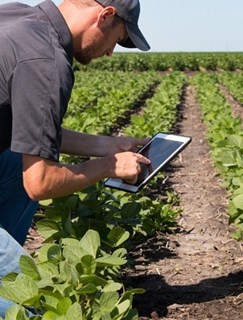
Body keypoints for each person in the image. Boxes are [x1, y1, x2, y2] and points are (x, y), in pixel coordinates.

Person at [0, 0, 151, 316]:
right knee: (40, 300)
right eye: (119, 40)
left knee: (20, 157)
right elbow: (40, 183)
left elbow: (32, 131)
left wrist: (109, 145)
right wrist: (110, 166)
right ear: (105, 16)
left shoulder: (16, 16)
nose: (110, 53)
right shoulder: (46, 60)